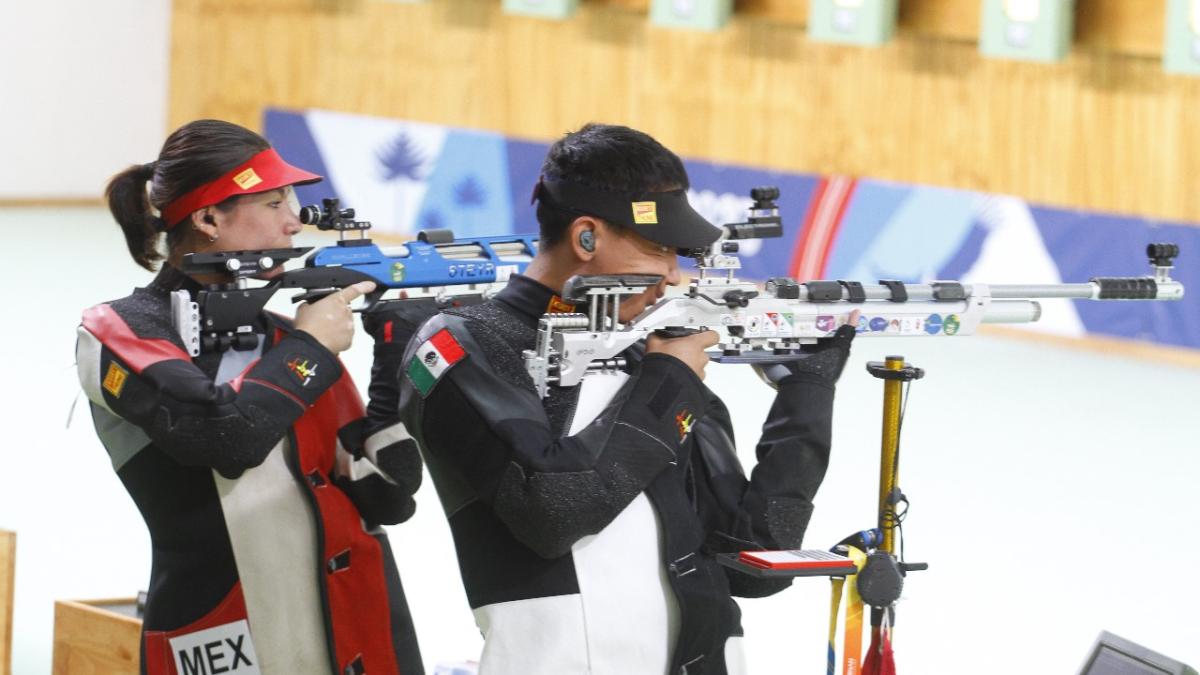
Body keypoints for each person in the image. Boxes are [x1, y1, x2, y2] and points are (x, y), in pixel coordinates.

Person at [397, 123, 856, 674]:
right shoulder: (464, 342)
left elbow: (753, 551)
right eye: (658, 248)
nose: (671, 275)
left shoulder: (654, 352)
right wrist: (670, 378)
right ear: (585, 237)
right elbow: (554, 513)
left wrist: (807, 391)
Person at [76, 120, 424, 675]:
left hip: (359, 633)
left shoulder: (290, 342)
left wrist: (397, 360)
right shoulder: (118, 329)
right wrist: (313, 347)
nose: (295, 220)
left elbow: (388, 496)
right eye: (274, 200)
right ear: (209, 218)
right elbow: (225, 436)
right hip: (222, 643)